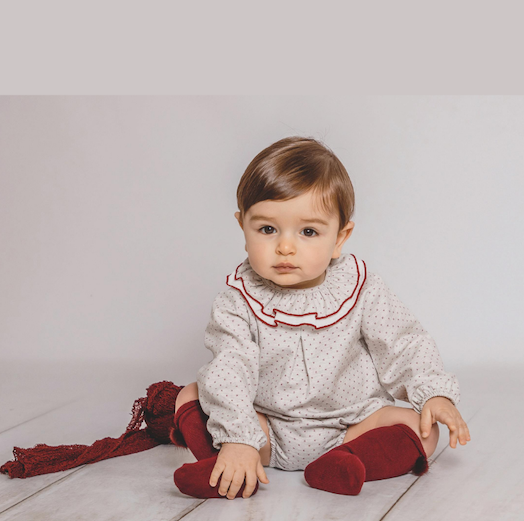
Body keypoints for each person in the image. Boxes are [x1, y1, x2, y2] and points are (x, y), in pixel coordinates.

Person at [170, 136, 471, 501]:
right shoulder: (237, 300)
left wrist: (433, 392)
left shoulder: (361, 287)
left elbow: (403, 342)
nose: (285, 247)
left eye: (308, 232)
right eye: (267, 229)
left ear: (340, 238)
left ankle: (347, 462)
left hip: (352, 424)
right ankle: (233, 463)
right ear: (243, 227)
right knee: (191, 395)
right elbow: (229, 369)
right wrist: (238, 436)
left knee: (423, 430)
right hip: (264, 427)